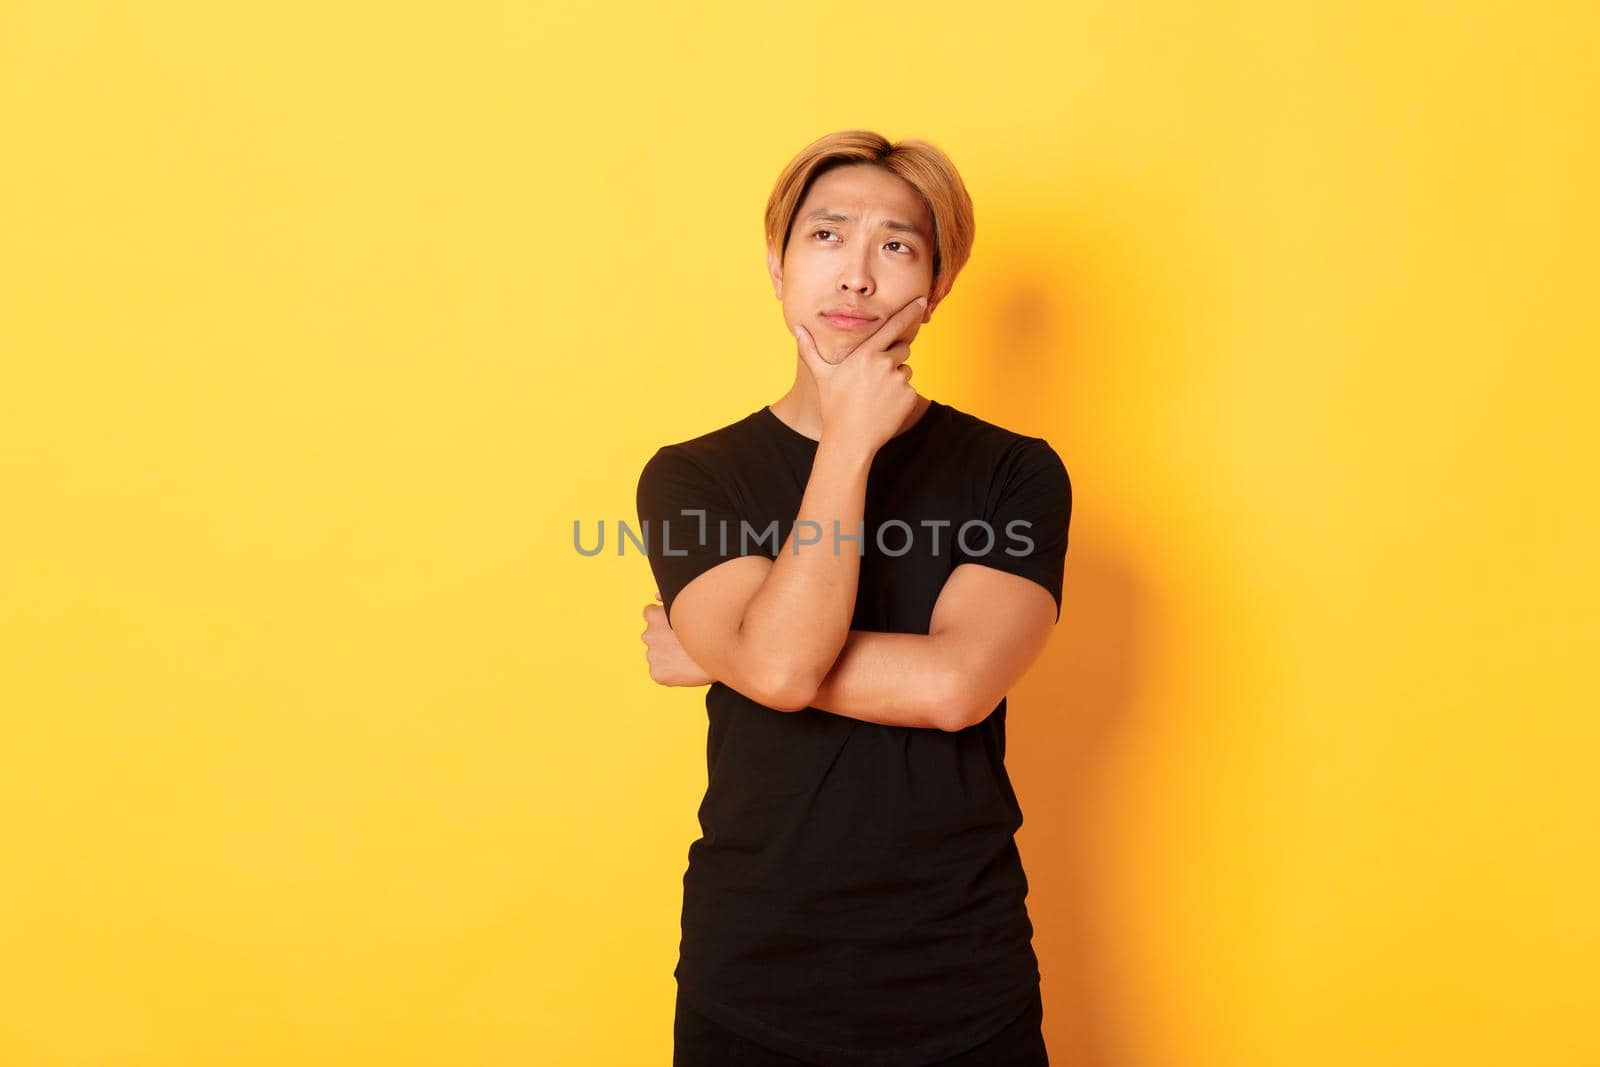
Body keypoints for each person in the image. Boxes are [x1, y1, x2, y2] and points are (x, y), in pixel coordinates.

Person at [635, 129, 1071, 1067]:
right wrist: (846, 444)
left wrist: (727, 652)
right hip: (752, 979)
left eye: (897, 244)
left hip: (962, 975)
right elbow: (781, 665)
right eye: (827, 237)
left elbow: (954, 686)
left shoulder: (1014, 473)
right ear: (777, 264)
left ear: (937, 284)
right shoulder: (693, 478)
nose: (857, 277)